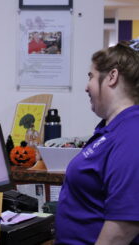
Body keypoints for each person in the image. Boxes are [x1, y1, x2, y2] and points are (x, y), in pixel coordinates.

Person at [55, 40, 139, 244]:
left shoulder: (132, 134)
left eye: (90, 76)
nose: (86, 87)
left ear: (112, 76)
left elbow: (122, 228)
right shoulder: (112, 128)